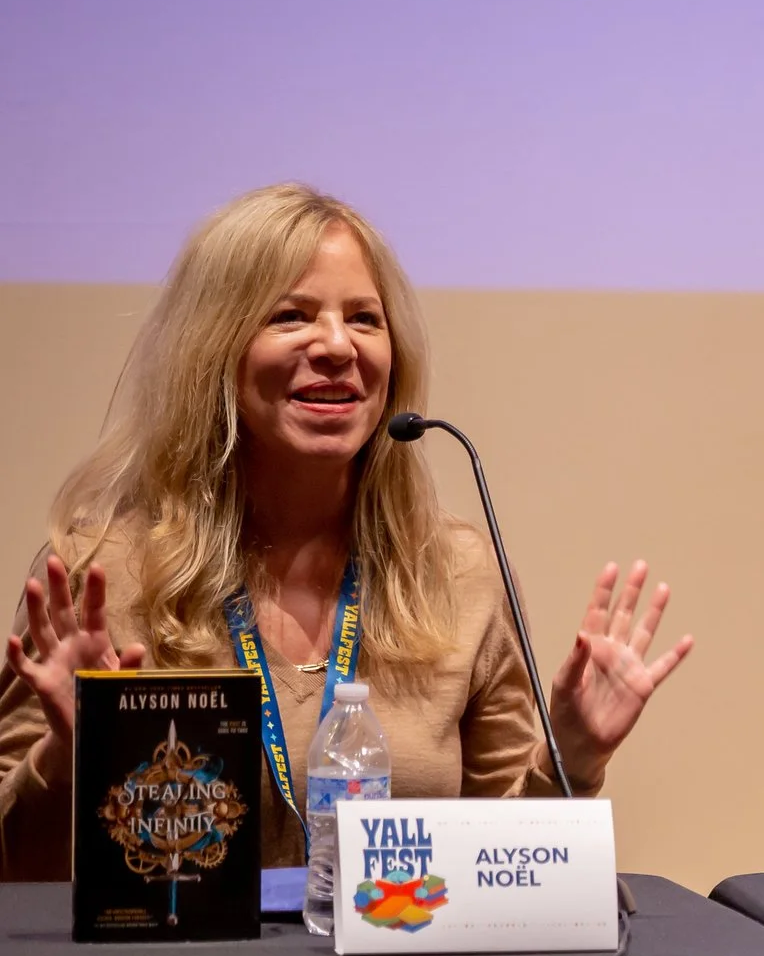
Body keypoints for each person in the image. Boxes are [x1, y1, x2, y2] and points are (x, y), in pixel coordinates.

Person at [0, 183, 692, 881]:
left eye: (364, 318)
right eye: (290, 315)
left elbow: (514, 875)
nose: (336, 345)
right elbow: (13, 877)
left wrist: (572, 752)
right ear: (212, 350)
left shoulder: (456, 574)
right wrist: (69, 754)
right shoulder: (101, 578)